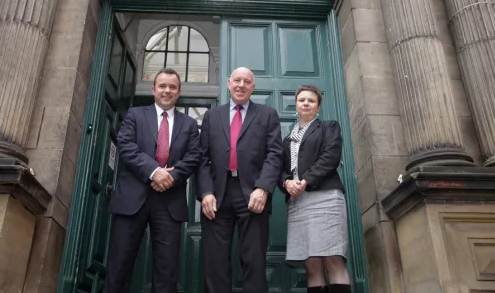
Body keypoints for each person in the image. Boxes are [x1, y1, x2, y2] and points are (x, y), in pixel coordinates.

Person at [104, 68, 201, 293]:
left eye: (172, 87)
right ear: (153, 89)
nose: (167, 90)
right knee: (119, 265)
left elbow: (194, 156)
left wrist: (170, 177)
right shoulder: (135, 115)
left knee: (167, 271)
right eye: (162, 86)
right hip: (131, 199)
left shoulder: (189, 124)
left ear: (179, 91)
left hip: (169, 202)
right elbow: (126, 146)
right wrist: (153, 171)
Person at [196, 67, 283, 293]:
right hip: (217, 196)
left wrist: (263, 188)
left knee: (254, 261)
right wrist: (206, 192)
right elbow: (202, 158)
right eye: (237, 80)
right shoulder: (212, 116)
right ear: (228, 83)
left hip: (253, 194)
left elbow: (275, 154)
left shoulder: (267, 114)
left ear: (253, 87)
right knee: (214, 263)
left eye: (247, 81)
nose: (241, 85)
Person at [279, 85, 351, 293]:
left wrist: (306, 180)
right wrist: (286, 183)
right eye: (302, 100)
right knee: (311, 265)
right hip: (298, 202)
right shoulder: (286, 140)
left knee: (333, 260)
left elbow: (331, 157)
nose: (306, 103)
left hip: (326, 198)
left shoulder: (329, 127)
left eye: (311, 100)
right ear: (296, 105)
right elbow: (280, 170)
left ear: (318, 107)